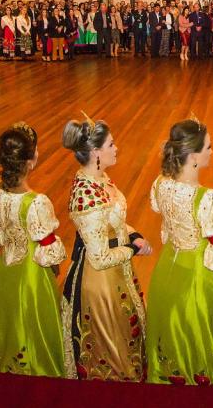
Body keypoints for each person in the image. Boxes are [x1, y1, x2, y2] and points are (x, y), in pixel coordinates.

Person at [145, 118, 213, 385]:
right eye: (208, 147)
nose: (212, 152)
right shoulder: (206, 198)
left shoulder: (160, 184)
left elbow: (161, 212)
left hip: (166, 272)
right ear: (193, 157)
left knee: (173, 337)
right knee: (204, 339)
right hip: (197, 278)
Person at [0, 123, 67, 376]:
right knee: (33, 327)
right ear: (30, 161)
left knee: (6, 321)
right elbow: (48, 246)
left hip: (6, 269)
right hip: (32, 275)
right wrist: (55, 266)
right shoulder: (36, 203)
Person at [61, 115, 150, 382]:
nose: (116, 148)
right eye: (111, 144)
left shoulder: (98, 178)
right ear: (96, 152)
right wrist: (131, 249)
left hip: (117, 272)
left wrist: (134, 234)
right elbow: (99, 258)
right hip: (100, 284)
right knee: (112, 356)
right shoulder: (86, 196)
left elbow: (112, 223)